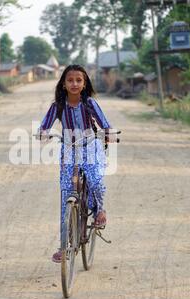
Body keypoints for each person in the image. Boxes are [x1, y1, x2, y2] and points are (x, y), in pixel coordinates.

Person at [37, 64, 112, 263]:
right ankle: (64, 245)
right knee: (66, 195)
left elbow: (104, 123)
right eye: (70, 80)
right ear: (63, 84)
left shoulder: (89, 103)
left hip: (90, 147)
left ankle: (100, 211)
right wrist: (42, 132)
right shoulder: (58, 106)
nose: (74, 84)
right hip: (69, 150)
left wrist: (108, 133)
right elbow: (45, 125)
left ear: (84, 83)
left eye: (79, 80)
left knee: (95, 181)